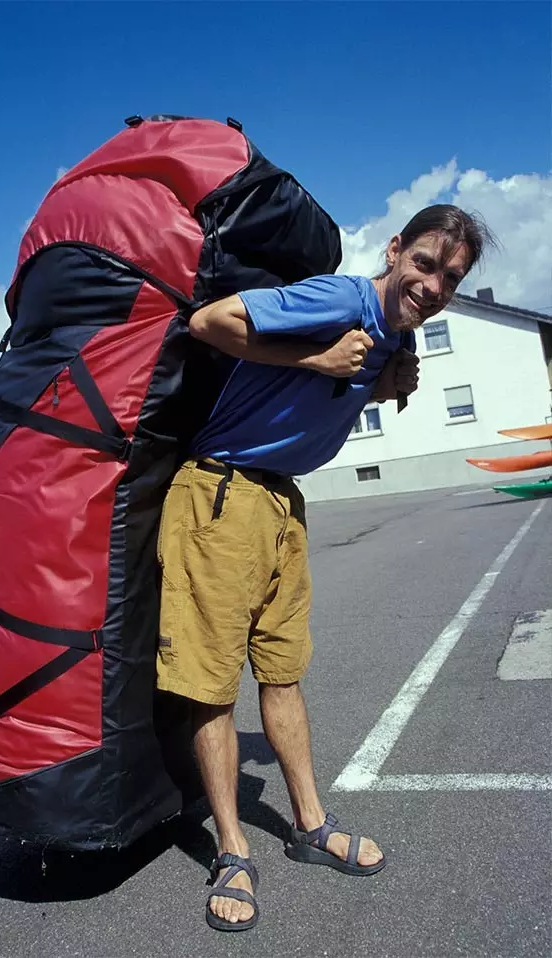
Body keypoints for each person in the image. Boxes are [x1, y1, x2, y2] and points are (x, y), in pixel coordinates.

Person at [155, 205, 494, 932]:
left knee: (283, 671)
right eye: (426, 264)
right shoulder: (342, 299)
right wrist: (316, 358)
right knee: (212, 687)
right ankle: (234, 850)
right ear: (396, 249)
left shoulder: (385, 339)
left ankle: (309, 823)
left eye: (452, 279)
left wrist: (378, 383)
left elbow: (310, 398)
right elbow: (209, 322)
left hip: (280, 502)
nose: (434, 285)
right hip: (221, 494)